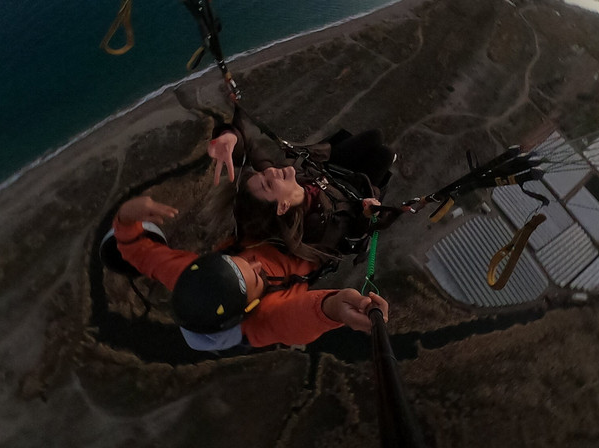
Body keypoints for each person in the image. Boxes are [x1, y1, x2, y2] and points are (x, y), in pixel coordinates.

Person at [112, 195, 389, 351]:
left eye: (236, 261)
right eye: (255, 278)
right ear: (251, 307)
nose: (256, 265)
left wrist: (126, 216)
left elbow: (140, 252)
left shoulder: (192, 278)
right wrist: (333, 308)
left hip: (274, 235)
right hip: (315, 250)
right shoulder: (261, 321)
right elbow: (296, 319)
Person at [207, 112, 397, 262]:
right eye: (269, 183)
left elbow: (251, 150)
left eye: (262, 174)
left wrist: (230, 137)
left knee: (375, 136)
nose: (271, 172)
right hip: (352, 193)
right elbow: (356, 233)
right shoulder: (321, 228)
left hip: (328, 171)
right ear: (283, 206)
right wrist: (367, 215)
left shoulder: (280, 179)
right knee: (385, 155)